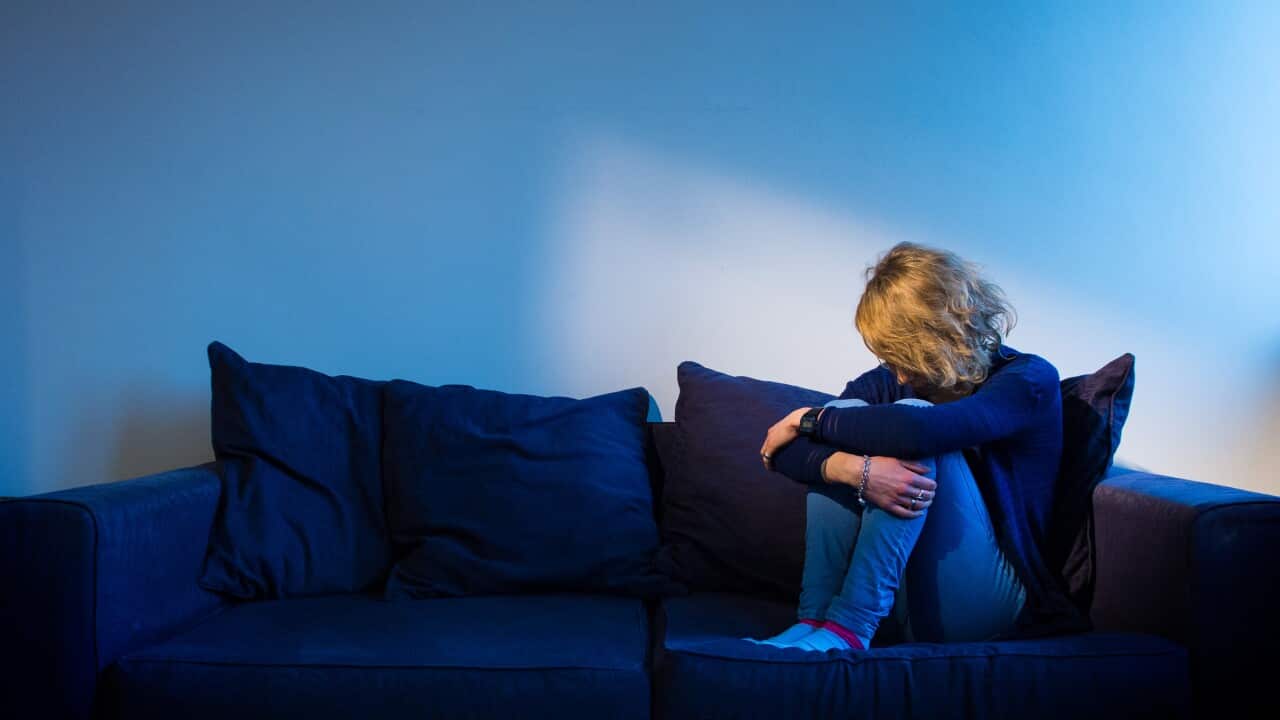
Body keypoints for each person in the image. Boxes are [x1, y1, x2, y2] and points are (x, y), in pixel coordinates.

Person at [744, 241, 1068, 652]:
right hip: (906, 600)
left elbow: (919, 431)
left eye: (905, 357)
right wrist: (854, 471)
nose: (897, 375)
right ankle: (816, 621)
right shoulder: (897, 379)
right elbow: (783, 453)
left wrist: (809, 418)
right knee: (849, 412)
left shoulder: (1029, 381)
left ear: (941, 337)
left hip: (994, 603)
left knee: (906, 414)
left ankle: (849, 630)